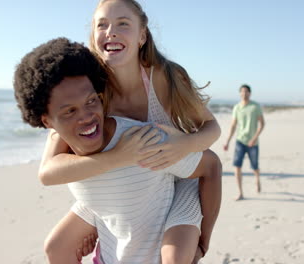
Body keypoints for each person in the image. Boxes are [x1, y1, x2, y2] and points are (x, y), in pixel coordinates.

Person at [36, 0, 222, 263]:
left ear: (142, 35)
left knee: (177, 258)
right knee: (57, 247)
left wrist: (185, 145)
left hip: (175, 177)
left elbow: (212, 128)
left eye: (123, 24)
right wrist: (119, 160)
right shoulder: (89, 91)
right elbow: (48, 170)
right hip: (117, 185)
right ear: (93, 36)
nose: (111, 31)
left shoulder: (166, 78)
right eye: (102, 25)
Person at [223, 84, 265, 201]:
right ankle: (240, 192)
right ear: (240, 93)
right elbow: (233, 125)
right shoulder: (237, 107)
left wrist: (254, 138)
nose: (244, 94)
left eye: (246, 92)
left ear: (250, 93)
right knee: (237, 166)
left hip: (253, 143)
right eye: (242, 92)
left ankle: (257, 179)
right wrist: (227, 141)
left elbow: (262, 124)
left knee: (254, 167)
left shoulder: (255, 107)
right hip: (240, 141)